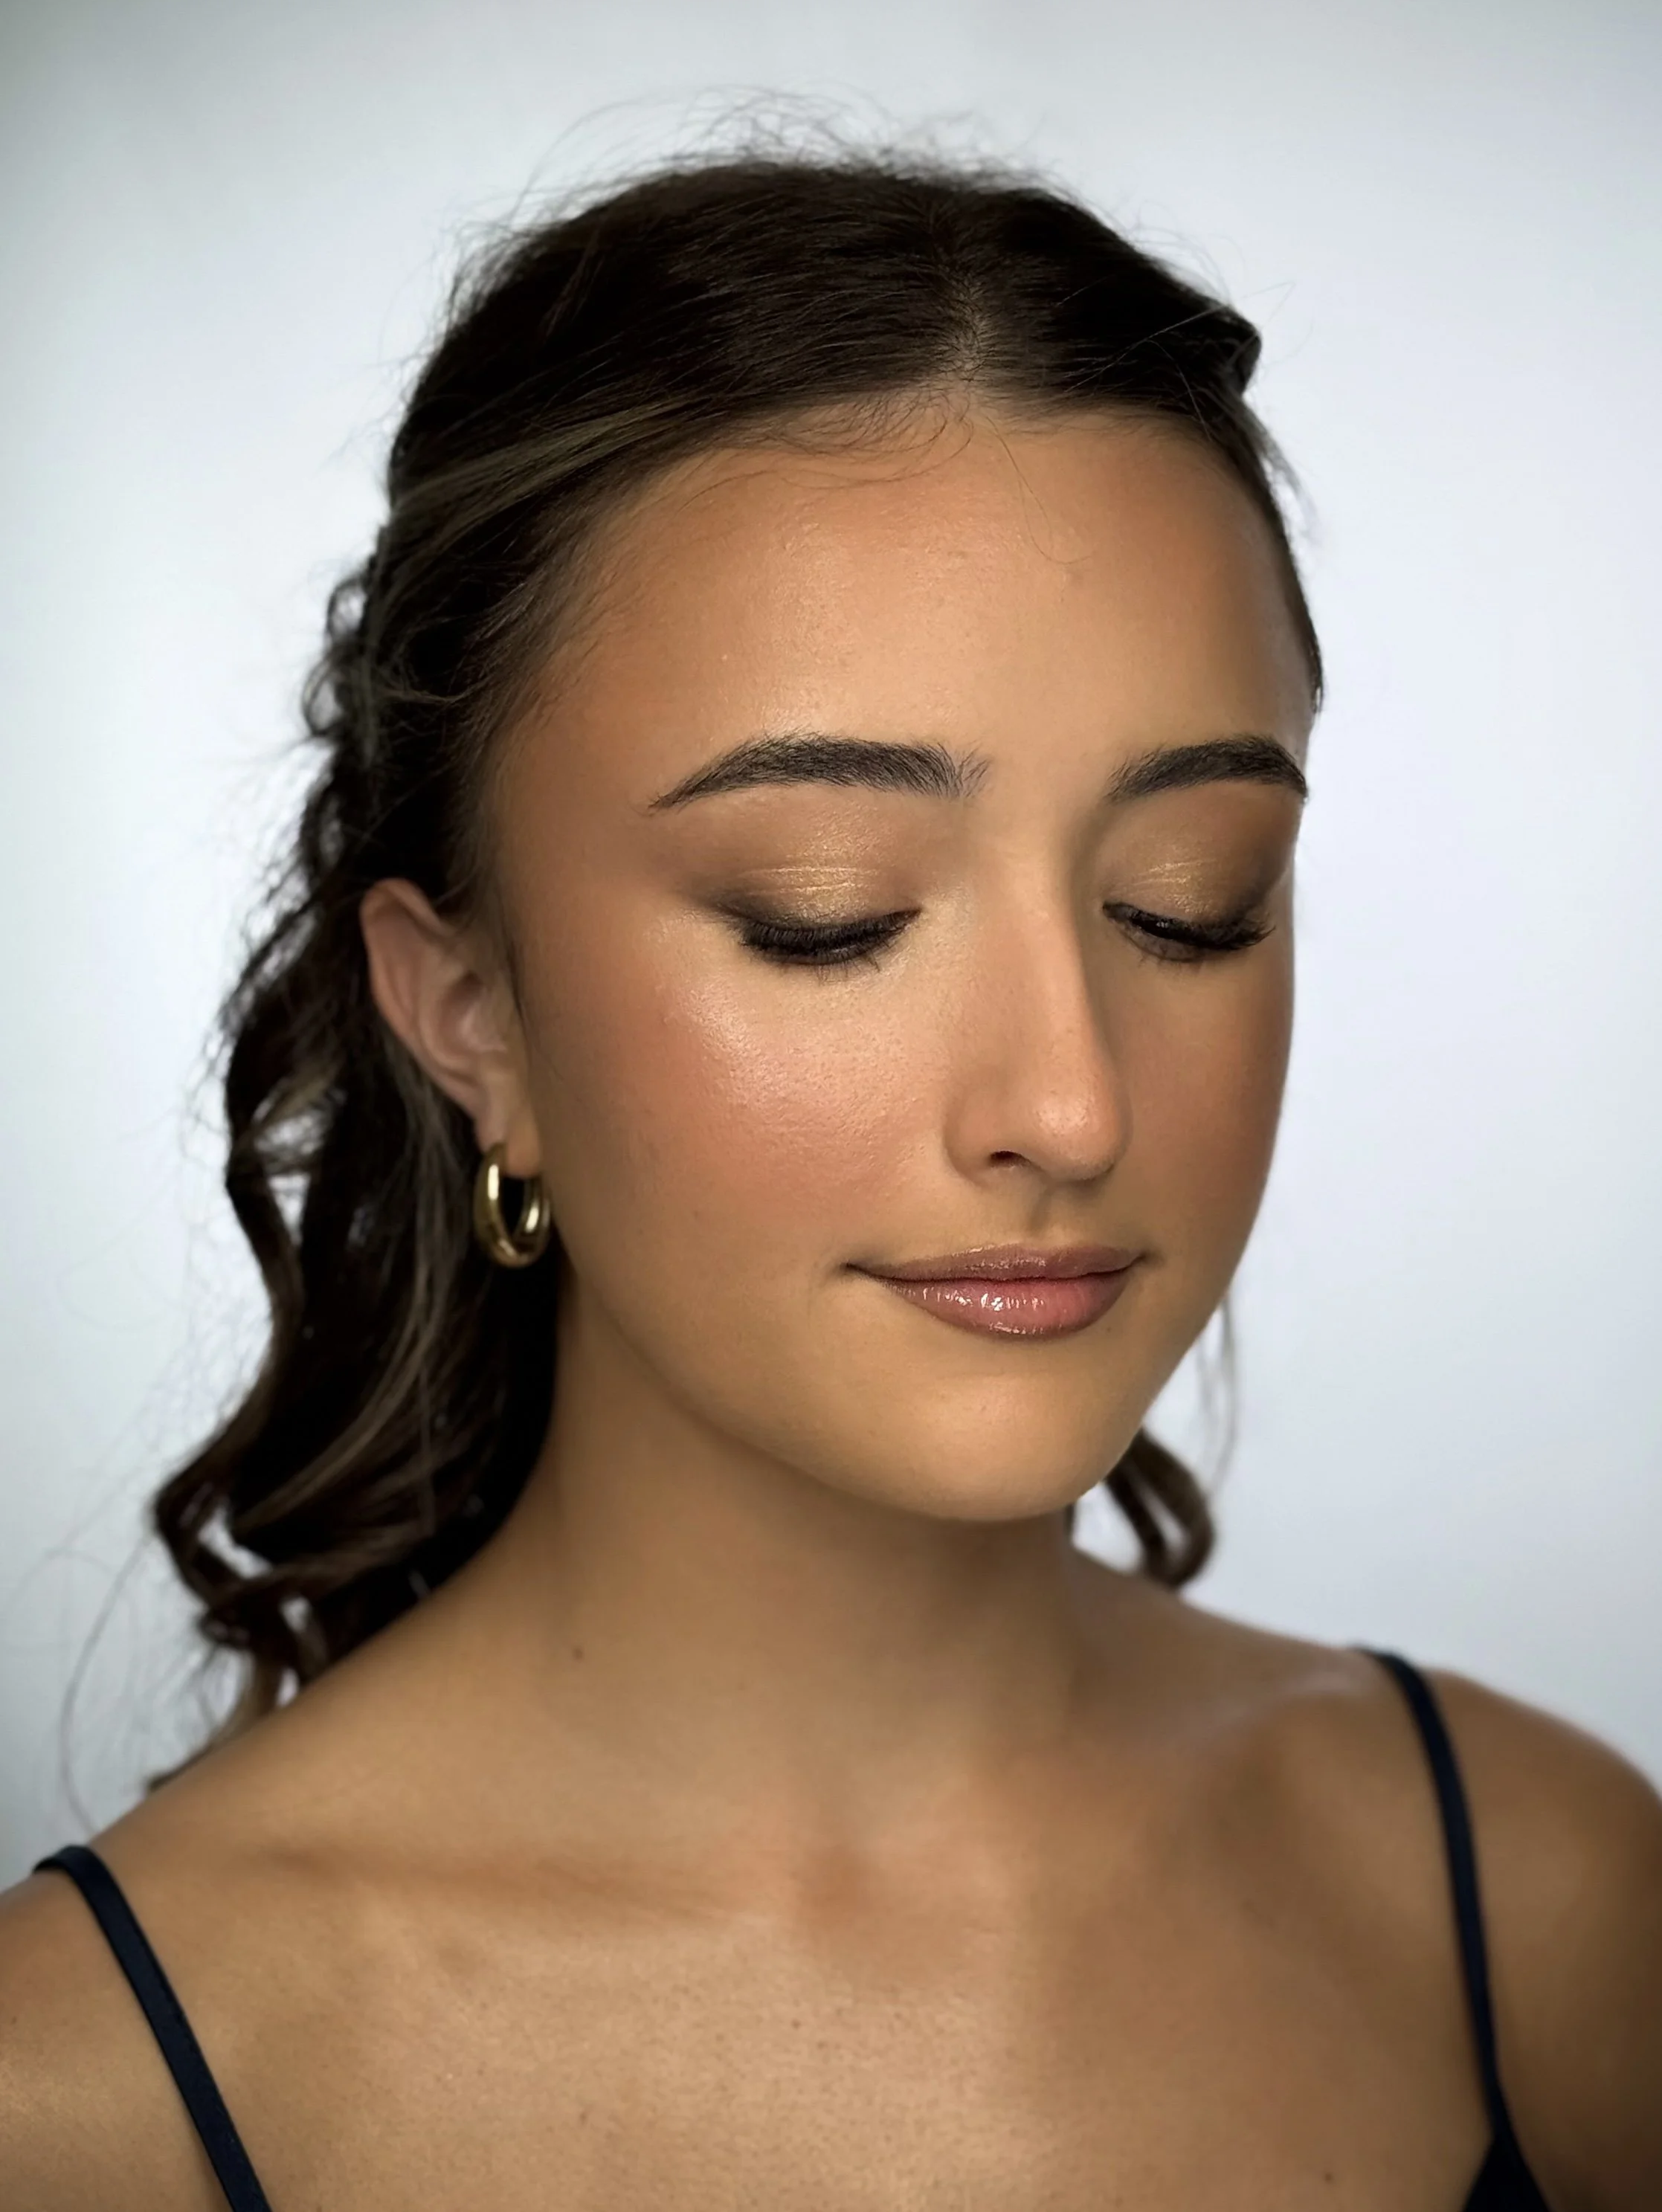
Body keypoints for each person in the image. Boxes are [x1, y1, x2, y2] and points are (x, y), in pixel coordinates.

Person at [1, 146, 1657, 2212]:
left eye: (1190, 904)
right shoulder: (81, 2100)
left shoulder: (1543, 1902)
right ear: (467, 1011)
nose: (1069, 1104)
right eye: (827, 914)